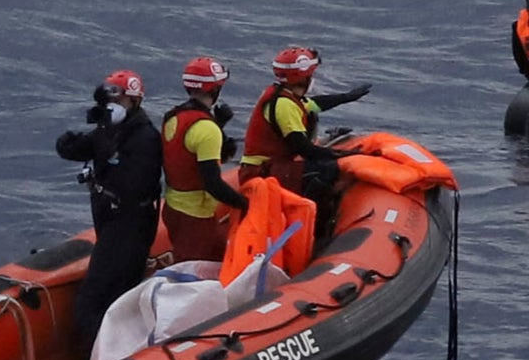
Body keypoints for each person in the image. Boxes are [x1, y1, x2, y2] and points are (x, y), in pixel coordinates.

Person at [56, 70, 164, 360]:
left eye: (121, 97)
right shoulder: (111, 130)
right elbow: (68, 149)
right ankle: (114, 355)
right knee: (113, 292)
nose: (115, 103)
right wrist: (96, 129)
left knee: (92, 300)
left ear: (135, 100)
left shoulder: (144, 138)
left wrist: (109, 153)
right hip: (111, 220)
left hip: (129, 224)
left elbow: (134, 185)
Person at [242, 45, 372, 196]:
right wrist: (343, 154)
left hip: (270, 166)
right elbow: (304, 149)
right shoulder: (284, 105)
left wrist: (347, 97)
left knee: (323, 161)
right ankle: (311, 211)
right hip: (261, 171)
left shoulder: (284, 95)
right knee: (328, 169)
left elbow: (315, 105)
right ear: (303, 77)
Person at [159, 56, 250, 265]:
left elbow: (184, 153)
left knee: (213, 255)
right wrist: (244, 204)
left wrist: (218, 124)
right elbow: (213, 183)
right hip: (195, 217)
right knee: (194, 272)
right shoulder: (207, 129)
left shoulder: (172, 117)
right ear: (215, 89)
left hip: (173, 209)